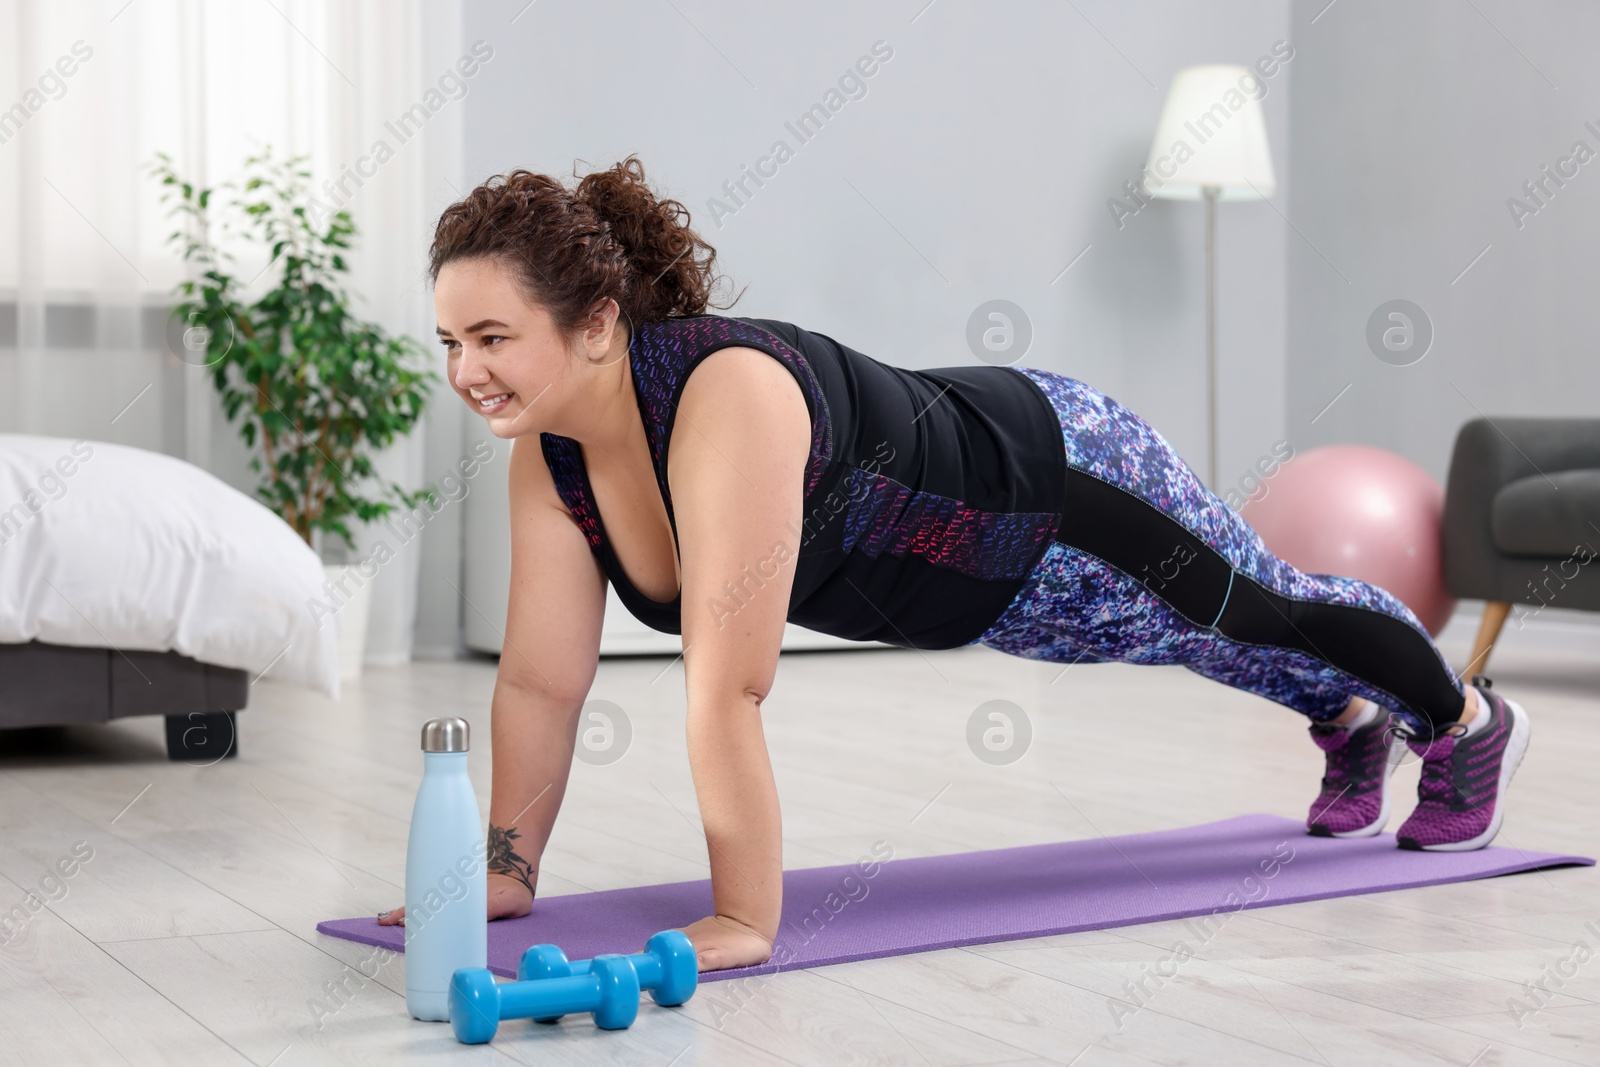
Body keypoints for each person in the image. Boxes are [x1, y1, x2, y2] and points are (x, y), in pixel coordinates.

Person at [377, 156, 1531, 973]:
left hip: (1054, 483)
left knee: (1254, 609)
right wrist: (504, 870)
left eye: (491, 338)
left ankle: (1463, 719)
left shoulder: (724, 396)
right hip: (984, 591)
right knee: (1192, 642)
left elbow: (727, 683)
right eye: (449, 342)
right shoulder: (553, 456)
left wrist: (743, 915)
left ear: (594, 322)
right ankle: (1343, 712)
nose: (467, 370)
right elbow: (538, 682)